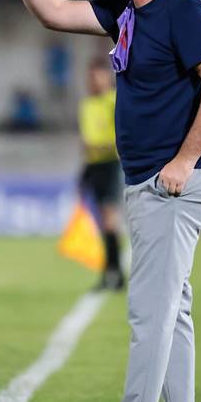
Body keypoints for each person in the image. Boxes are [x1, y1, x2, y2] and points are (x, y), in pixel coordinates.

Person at [0, 0, 201, 402]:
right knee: (171, 313)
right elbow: (54, 11)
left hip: (175, 184)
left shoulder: (182, 9)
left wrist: (183, 161)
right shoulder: (128, 11)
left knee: (149, 316)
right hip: (153, 181)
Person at [78, 58, 124, 291]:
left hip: (111, 163)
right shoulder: (86, 104)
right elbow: (86, 138)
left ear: (107, 77)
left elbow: (119, 137)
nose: (94, 81)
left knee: (109, 219)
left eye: (97, 76)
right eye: (91, 77)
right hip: (92, 165)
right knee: (99, 220)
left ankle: (115, 273)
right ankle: (109, 271)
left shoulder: (114, 101)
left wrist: (98, 146)